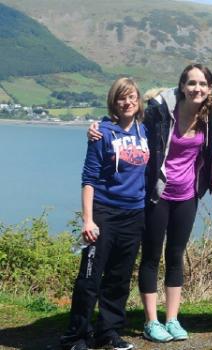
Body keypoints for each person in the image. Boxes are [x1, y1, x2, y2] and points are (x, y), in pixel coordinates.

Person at [87, 64, 212, 343]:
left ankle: (172, 319)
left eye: (202, 84)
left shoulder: (211, 116)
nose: (197, 88)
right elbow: (127, 120)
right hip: (157, 195)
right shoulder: (159, 112)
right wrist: (99, 124)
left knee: (176, 256)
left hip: (187, 196)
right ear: (182, 86)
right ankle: (151, 321)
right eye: (191, 83)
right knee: (151, 256)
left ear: (209, 89)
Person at [61, 77, 150, 350]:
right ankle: (77, 336)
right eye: (122, 97)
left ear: (138, 101)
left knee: (119, 278)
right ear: (114, 101)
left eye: (132, 97)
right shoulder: (102, 132)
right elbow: (89, 178)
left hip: (134, 214)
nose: (127, 102)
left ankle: (108, 333)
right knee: (89, 277)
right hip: (103, 213)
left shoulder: (144, 131)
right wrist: (88, 219)